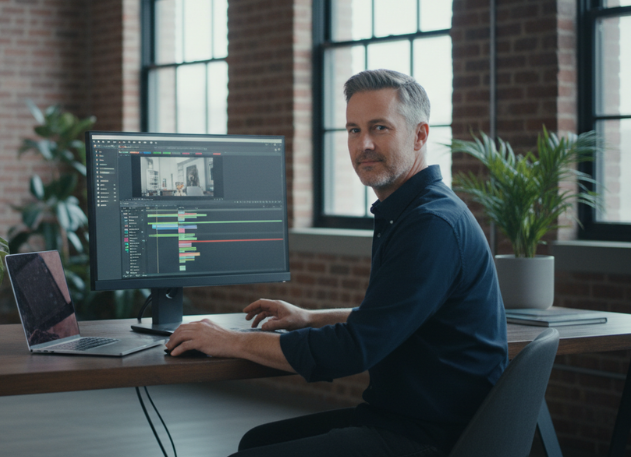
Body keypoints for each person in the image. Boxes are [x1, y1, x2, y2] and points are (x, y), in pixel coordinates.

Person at [165, 69, 508, 457]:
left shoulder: (431, 225)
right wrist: (309, 317)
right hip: (402, 417)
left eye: (379, 128)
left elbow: (354, 349)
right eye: (352, 129)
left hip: (432, 438)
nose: (363, 144)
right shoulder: (410, 210)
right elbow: (385, 318)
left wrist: (230, 341)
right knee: (257, 442)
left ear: (420, 135)